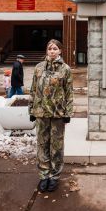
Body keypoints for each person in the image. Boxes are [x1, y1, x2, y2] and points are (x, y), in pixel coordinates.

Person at [28, 39, 73, 193]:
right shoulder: (39, 68)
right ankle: (43, 176)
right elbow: (33, 89)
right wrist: (31, 110)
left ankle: (54, 177)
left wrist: (68, 113)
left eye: (55, 48)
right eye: (49, 48)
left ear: (60, 51)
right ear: (47, 51)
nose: (52, 51)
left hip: (57, 114)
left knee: (56, 147)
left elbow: (69, 92)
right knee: (42, 145)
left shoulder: (65, 69)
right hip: (41, 113)